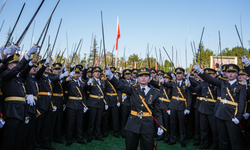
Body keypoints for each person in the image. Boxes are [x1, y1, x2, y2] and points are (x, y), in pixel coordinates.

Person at [105, 67, 164, 150]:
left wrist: (160, 126)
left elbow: (157, 112)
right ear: (137, 78)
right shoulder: (133, 89)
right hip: (132, 124)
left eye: (146, 76)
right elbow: (120, 86)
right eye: (141, 76)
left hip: (148, 126)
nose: (143, 78)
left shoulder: (155, 93)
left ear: (150, 79)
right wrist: (111, 76)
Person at [193, 63, 246, 150]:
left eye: (233, 72)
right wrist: (200, 71)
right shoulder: (223, 83)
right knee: (222, 139)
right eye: (229, 72)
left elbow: (242, 103)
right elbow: (210, 79)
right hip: (220, 114)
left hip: (232, 115)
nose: (230, 74)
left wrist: (239, 117)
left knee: (234, 139)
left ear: (236, 74)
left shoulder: (241, 86)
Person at [0, 45, 38, 150]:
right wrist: (27, 55)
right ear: (9, 66)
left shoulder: (19, 78)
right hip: (11, 111)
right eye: (15, 64)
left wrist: (30, 62)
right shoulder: (5, 75)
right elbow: (17, 70)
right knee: (9, 139)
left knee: (19, 139)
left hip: (21, 111)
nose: (18, 66)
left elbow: (24, 71)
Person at [160, 68, 192, 147]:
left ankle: (183, 141)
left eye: (180, 73)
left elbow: (189, 97)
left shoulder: (186, 84)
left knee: (182, 125)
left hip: (182, 107)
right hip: (173, 106)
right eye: (177, 74)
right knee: (172, 124)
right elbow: (166, 84)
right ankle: (172, 140)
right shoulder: (173, 84)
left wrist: (188, 108)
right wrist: (162, 81)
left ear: (182, 75)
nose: (178, 75)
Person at [189, 68, 217, 149]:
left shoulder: (216, 84)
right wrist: (189, 84)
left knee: (214, 129)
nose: (208, 77)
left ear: (214, 76)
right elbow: (194, 90)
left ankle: (215, 145)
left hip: (212, 109)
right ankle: (204, 144)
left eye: (210, 75)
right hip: (203, 109)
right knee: (203, 128)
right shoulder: (203, 84)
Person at [65, 66, 88, 146]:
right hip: (72, 104)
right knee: (70, 123)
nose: (77, 75)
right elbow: (64, 84)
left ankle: (80, 138)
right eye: (75, 73)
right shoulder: (69, 82)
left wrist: (85, 104)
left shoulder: (82, 83)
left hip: (80, 105)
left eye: (78, 73)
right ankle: (69, 139)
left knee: (79, 123)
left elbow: (84, 94)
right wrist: (68, 75)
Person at [86, 66, 108, 143]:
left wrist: (106, 102)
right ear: (93, 73)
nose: (98, 73)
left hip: (100, 103)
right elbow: (85, 90)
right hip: (92, 103)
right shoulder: (90, 81)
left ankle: (97, 135)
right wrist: (88, 84)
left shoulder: (102, 82)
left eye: (99, 72)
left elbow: (104, 93)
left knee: (99, 121)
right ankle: (90, 136)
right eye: (96, 72)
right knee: (92, 121)